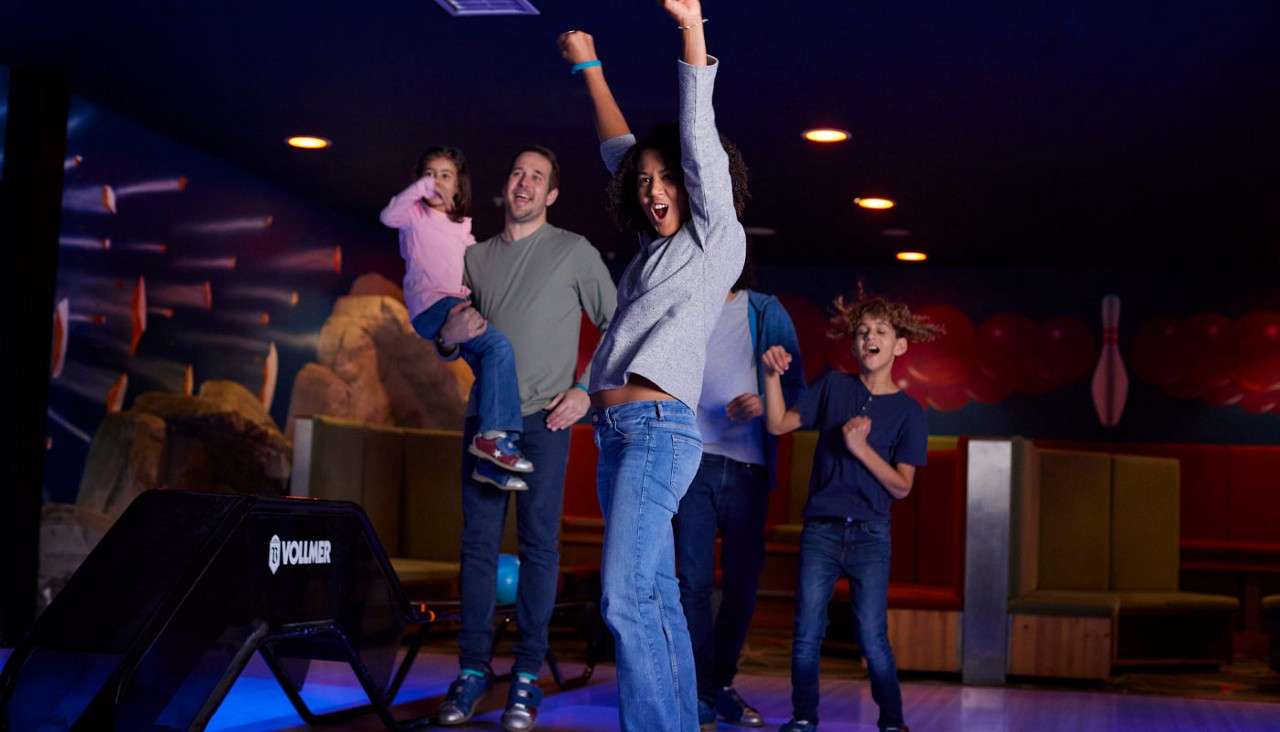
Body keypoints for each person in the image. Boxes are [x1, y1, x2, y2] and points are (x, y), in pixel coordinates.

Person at [559, 1, 749, 728]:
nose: (653, 189)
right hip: (618, 438)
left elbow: (696, 140)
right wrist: (589, 68)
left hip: (660, 432)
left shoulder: (715, 241)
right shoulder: (652, 256)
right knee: (654, 596)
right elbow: (619, 153)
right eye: (645, 184)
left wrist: (691, 26)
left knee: (624, 594)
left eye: (666, 179)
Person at [432, 145, 617, 731]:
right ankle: (471, 672)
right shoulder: (474, 258)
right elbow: (448, 330)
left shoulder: (574, 251)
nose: (525, 183)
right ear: (505, 185)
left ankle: (528, 675)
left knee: (540, 546)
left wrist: (585, 391)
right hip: (486, 418)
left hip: (547, 422)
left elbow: (619, 327)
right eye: (517, 172)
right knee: (478, 546)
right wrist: (444, 337)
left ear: (551, 194)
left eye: (537, 177)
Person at [761, 289, 943, 732]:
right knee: (806, 635)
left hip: (870, 534)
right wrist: (768, 377)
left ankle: (892, 722)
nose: (869, 338)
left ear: (900, 345)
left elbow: (902, 487)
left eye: (880, 331)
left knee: (871, 636)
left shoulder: (909, 414)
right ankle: (803, 719)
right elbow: (777, 423)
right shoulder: (832, 387)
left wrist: (859, 448)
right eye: (862, 332)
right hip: (821, 531)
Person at [673, 256, 806, 729]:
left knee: (742, 586)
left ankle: (718, 683)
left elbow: (798, 389)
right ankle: (700, 690)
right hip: (692, 463)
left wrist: (762, 398)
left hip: (748, 468)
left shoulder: (766, 310)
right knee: (692, 582)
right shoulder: (685, 306)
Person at [380, 146, 533, 490]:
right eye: (428, 174)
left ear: (458, 189)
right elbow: (388, 216)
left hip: (456, 303)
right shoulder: (414, 217)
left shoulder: (461, 225)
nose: (435, 181)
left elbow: (473, 263)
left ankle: (491, 463)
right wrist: (421, 188)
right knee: (498, 345)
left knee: (491, 371)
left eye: (444, 176)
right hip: (431, 306)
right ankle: (493, 440)